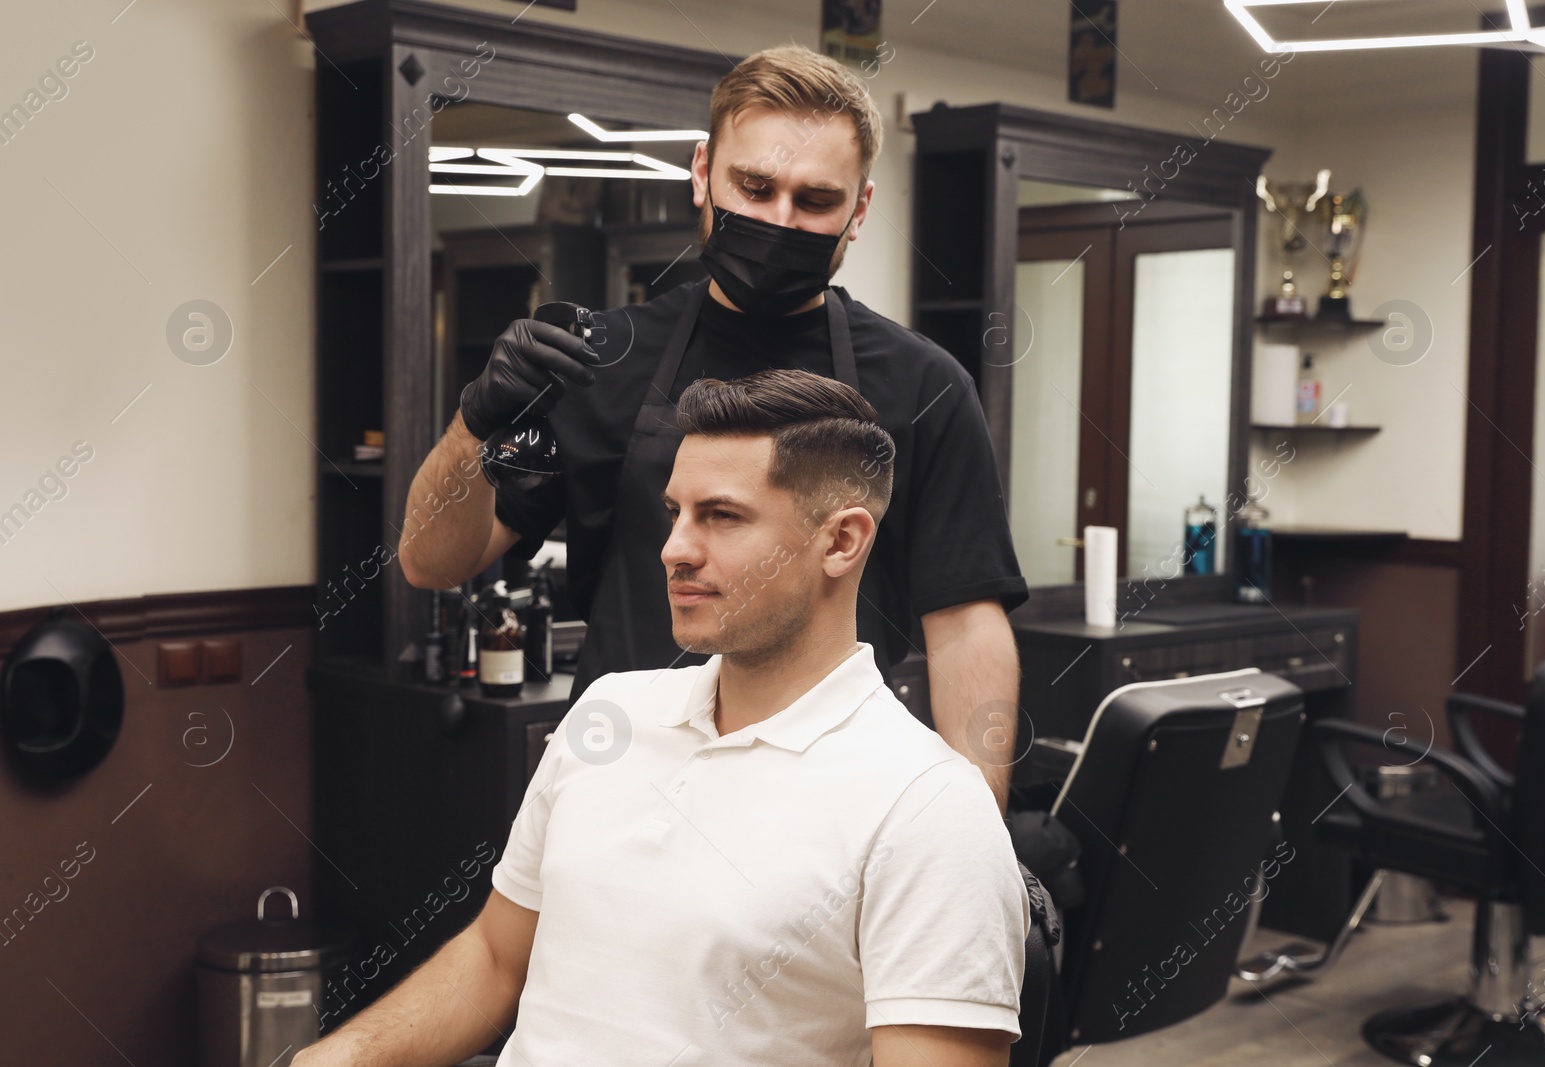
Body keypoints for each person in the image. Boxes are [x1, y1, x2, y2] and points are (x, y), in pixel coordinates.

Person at [295, 369, 1030, 1067]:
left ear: (841, 541)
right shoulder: (611, 711)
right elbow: (494, 958)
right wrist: (338, 1054)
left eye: (722, 516)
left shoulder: (928, 808)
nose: (675, 548)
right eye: (675, 512)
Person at [398, 45, 1029, 808]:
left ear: (858, 211)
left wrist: (979, 833)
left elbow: (965, 625)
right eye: (754, 186)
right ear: (702, 172)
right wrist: (473, 422)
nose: (779, 220)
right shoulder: (604, 359)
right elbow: (432, 562)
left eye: (815, 201)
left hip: (825, 802)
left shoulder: (925, 385)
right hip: (620, 780)